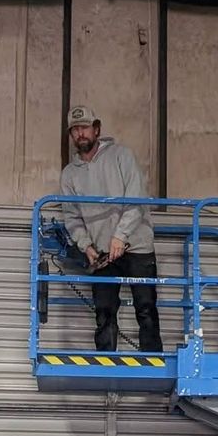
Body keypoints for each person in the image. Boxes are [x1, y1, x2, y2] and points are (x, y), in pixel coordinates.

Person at [56, 105, 165, 353]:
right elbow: (72, 216)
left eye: (84, 127)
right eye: (74, 130)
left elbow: (137, 198)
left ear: (97, 129)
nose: (80, 134)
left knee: (145, 306)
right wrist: (86, 246)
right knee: (104, 310)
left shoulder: (121, 156)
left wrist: (120, 236)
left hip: (136, 245)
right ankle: (105, 359)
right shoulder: (69, 175)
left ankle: (153, 359)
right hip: (102, 253)